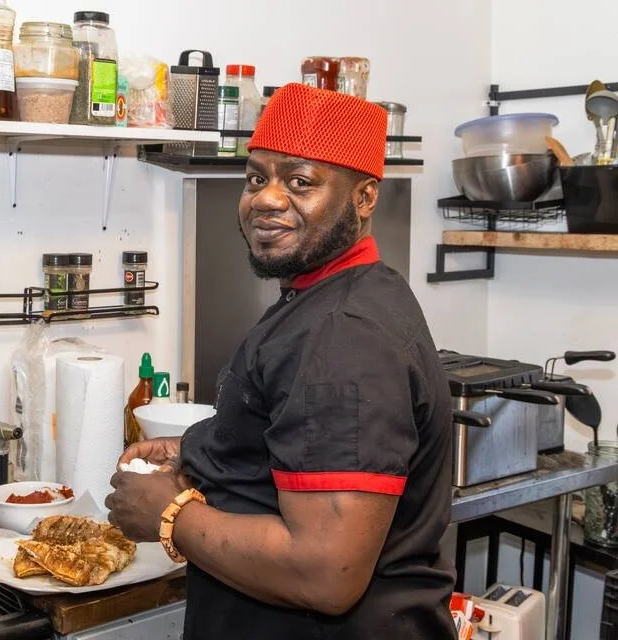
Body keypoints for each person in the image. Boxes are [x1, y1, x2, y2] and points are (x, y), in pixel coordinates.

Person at [105, 83, 457, 639]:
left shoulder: (344, 334)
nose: (265, 199)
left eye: (300, 181)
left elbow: (326, 573)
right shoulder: (329, 295)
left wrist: (170, 517)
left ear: (364, 198)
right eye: (255, 178)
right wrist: (205, 448)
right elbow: (298, 437)